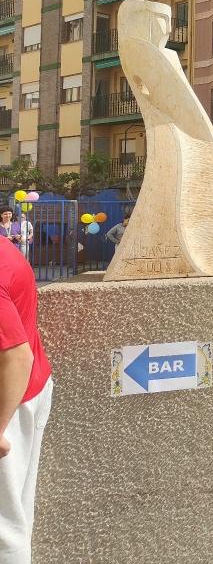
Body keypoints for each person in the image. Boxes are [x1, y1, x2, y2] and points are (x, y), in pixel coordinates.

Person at [0, 235, 53, 562]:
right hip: (27, 391)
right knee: (14, 517)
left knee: (3, 529)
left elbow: (17, 356)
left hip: (11, 399)